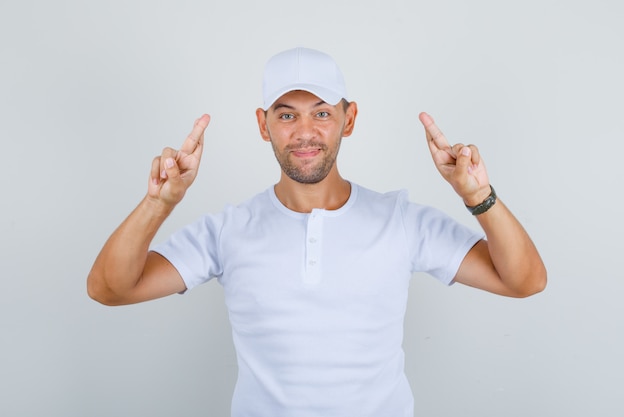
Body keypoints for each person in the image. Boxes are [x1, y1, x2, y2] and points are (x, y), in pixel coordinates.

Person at [87, 47, 546, 416]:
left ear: (349, 119)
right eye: (286, 115)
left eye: (321, 113)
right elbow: (109, 288)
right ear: (263, 125)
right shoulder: (227, 230)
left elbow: (524, 281)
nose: (305, 132)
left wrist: (477, 196)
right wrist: (158, 204)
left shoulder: (402, 221)